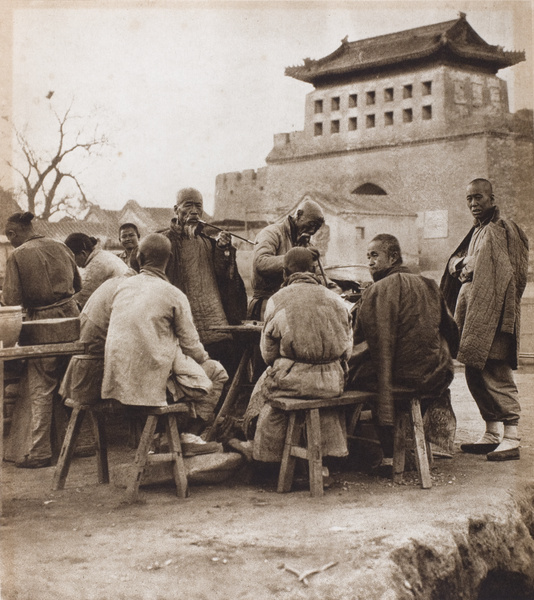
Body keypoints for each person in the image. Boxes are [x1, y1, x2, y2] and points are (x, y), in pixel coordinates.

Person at [347, 234, 459, 468]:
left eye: (375, 255)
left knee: (353, 376)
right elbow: (452, 331)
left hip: (396, 379)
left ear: (393, 257)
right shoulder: (429, 285)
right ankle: (407, 444)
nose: (369, 262)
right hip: (433, 378)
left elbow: (360, 343)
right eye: (367, 256)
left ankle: (385, 455)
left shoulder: (376, 290)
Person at [101, 234, 227, 437]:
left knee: (178, 366)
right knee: (217, 372)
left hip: (115, 386)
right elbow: (192, 347)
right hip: (150, 391)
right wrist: (204, 360)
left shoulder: (122, 288)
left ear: (139, 258)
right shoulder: (173, 294)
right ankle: (187, 435)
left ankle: (169, 435)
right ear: (170, 259)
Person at [441, 178, 529, 461]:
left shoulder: (504, 229)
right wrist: (462, 265)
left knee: (496, 371)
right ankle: (491, 433)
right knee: (475, 372)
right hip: (473, 313)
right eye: (469, 199)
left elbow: (506, 271)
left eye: (478, 198)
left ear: (492, 198)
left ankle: (512, 437)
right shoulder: (477, 231)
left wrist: (464, 265)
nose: (473, 204)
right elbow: (456, 262)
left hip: (494, 313)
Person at [242, 247, 353, 463]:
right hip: (332, 383)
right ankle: (329, 455)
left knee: (264, 385)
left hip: (292, 381)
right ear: (313, 270)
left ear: (284, 273)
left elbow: (268, 354)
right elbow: (347, 351)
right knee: (315, 396)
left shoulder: (277, 299)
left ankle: (268, 456)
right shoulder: (337, 300)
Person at [2, 211, 81, 468]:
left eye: (9, 238)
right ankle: (86, 443)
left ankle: (39, 452)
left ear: (13, 234)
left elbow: (12, 302)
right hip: (72, 322)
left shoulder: (17, 255)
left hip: (42, 326)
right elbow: (78, 285)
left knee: (41, 389)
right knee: (74, 384)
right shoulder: (61, 246)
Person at [161, 187, 247, 376]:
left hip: (213, 314)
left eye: (198, 206)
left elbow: (223, 275)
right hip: (182, 313)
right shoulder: (165, 241)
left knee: (222, 360)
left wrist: (223, 249)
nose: (193, 211)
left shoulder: (208, 242)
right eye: (188, 205)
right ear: (176, 209)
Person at [248, 199, 325, 320]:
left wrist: (334, 286)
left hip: (294, 306)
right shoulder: (272, 233)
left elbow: (319, 276)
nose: (312, 231)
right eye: (311, 224)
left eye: (317, 227)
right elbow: (261, 263)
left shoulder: (307, 245)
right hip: (267, 305)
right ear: (299, 215)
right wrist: (297, 257)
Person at [64, 233, 128, 309]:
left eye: (72, 259)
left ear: (83, 254)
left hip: (121, 305)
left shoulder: (96, 265)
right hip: (122, 299)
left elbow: (82, 298)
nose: (73, 263)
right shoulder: (101, 256)